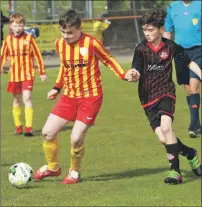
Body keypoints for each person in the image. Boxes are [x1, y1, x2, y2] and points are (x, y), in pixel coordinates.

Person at [33, 9, 136, 184]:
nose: (66, 36)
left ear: (79, 29)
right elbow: (64, 67)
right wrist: (56, 88)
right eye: (63, 32)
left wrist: (124, 75)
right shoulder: (59, 44)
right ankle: (53, 168)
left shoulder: (91, 43)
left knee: (76, 137)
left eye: (70, 32)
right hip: (69, 96)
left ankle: (74, 171)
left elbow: (108, 59)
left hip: (90, 97)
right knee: (47, 133)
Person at [131, 9, 202, 184]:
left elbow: (189, 62)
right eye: (145, 30)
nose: (147, 33)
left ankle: (175, 172)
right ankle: (190, 153)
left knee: (166, 128)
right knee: (164, 138)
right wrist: (132, 74)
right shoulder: (140, 49)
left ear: (161, 30)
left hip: (166, 93)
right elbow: (136, 70)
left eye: (151, 30)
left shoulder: (171, 46)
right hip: (147, 97)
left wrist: (200, 74)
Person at [1, 13, 47, 136]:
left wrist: (42, 71)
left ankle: (29, 128)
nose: (18, 28)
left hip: (27, 73)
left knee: (27, 98)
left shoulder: (29, 39)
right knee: (17, 99)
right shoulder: (7, 40)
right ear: (11, 26)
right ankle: (18, 126)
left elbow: (38, 55)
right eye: (15, 25)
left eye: (20, 25)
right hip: (14, 75)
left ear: (23, 26)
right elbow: (2, 56)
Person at [163, 0, 201, 138]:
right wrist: (164, 50)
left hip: (198, 51)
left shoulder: (199, 4)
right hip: (180, 53)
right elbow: (168, 32)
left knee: (193, 87)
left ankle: (193, 126)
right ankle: (197, 125)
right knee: (188, 90)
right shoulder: (173, 7)